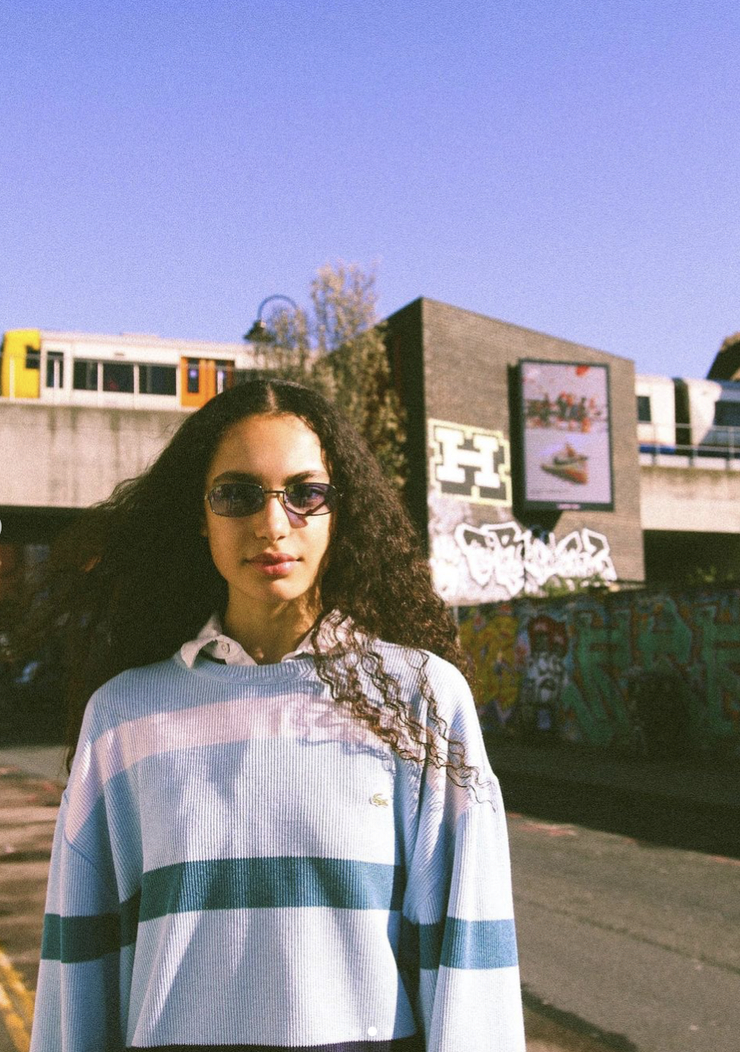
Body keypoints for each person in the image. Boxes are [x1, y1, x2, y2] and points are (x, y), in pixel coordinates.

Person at [29, 378, 526, 1052]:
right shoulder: (122, 717)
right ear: (199, 515)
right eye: (237, 494)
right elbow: (77, 976)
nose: (272, 524)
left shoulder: (421, 700)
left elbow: (471, 966)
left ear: (341, 511)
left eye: (305, 492)